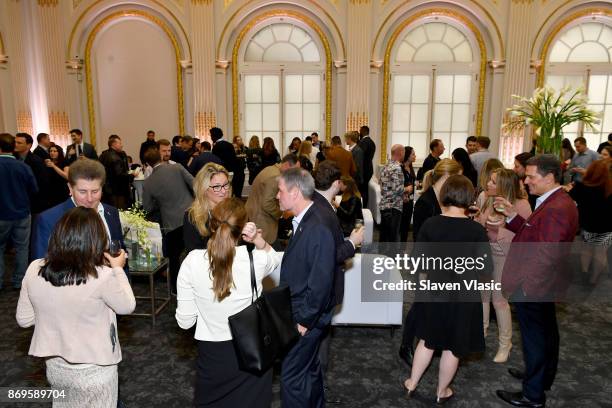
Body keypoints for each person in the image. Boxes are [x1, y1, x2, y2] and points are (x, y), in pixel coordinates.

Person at [17, 207, 135, 408]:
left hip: (56, 367)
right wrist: (117, 269)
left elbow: (25, 319)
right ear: (96, 240)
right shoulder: (102, 276)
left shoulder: (34, 268)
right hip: (97, 370)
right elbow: (127, 305)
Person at [176, 198, 280, 407]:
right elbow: (274, 259)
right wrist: (258, 240)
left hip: (213, 358)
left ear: (211, 224)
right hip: (251, 353)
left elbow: (185, 322)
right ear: (242, 229)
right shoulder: (255, 261)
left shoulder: (192, 262)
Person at [496, 155, 579, 408]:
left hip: (535, 285)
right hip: (543, 283)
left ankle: (532, 395)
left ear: (550, 177)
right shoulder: (555, 201)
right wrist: (513, 216)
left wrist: (526, 287)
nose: (526, 181)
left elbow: (547, 254)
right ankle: (540, 376)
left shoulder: (555, 208)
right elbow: (535, 233)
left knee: (534, 337)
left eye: (531, 176)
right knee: (546, 333)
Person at [401, 175, 493, 404]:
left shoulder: (430, 224)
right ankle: (441, 391)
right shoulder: (476, 230)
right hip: (464, 294)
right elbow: (485, 268)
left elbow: (417, 262)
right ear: (469, 199)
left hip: (434, 289)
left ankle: (412, 382)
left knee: (426, 339)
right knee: (454, 345)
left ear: (444, 196)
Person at [278, 168, 336, 408]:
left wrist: (304, 321)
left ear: (294, 192)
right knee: (309, 371)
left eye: (280, 191)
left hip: (305, 317)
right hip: (305, 314)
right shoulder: (307, 219)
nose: (277, 196)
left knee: (291, 378)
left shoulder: (317, 225)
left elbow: (321, 282)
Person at [398, 158, 463, 366]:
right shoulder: (426, 202)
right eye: (457, 177)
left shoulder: (443, 199)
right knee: (420, 305)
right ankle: (406, 344)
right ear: (446, 177)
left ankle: (423, 343)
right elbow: (420, 237)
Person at [311, 161, 363, 404]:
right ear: (335, 183)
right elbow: (330, 255)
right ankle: (317, 387)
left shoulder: (317, 204)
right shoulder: (324, 213)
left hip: (318, 285)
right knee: (319, 340)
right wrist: (352, 243)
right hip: (323, 287)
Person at [31, 159, 129, 281]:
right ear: (70, 188)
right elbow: (40, 268)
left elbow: (120, 252)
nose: (89, 199)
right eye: (82, 192)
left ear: (102, 188)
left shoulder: (111, 213)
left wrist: (124, 285)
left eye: (95, 191)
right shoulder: (49, 219)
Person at [476, 168, 531, 363]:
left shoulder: (521, 205)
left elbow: (525, 237)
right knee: (482, 295)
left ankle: (505, 344)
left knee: (499, 300)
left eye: (492, 181)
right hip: (486, 254)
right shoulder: (488, 200)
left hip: (506, 257)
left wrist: (493, 229)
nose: (488, 184)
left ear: (503, 185)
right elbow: (482, 226)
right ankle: (480, 335)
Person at [143, 148, 194, 293]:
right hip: (192, 215)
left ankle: (176, 289)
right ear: (160, 157)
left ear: (147, 164)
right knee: (196, 251)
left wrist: (159, 202)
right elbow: (195, 184)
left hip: (171, 223)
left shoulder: (148, 183)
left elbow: (147, 208)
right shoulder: (177, 167)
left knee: (174, 256)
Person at [0, 133, 38, 290]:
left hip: (1, 215)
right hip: (22, 214)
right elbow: (34, 189)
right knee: (22, 248)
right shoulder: (24, 167)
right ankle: (19, 281)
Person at [567, 159, 612, 285]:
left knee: (586, 249)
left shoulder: (582, 187)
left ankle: (585, 273)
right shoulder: (609, 189)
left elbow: (569, 197)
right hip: (607, 226)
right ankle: (594, 279)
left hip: (588, 224)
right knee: (600, 252)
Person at [245, 154, 301, 245]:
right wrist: (282, 214)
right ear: (286, 165)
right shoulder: (275, 176)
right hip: (261, 220)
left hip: (254, 214)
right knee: (262, 251)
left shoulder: (270, 169)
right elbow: (267, 203)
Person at [183, 162, 231, 253]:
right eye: (217, 187)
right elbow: (194, 255)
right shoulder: (193, 217)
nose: (224, 191)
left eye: (226, 185)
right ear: (204, 189)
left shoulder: (234, 210)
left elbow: (247, 247)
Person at [15, 133, 51, 213]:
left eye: (19, 143)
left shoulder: (36, 161)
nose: (15, 145)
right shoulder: (13, 159)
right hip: (17, 202)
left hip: (33, 202)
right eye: (15, 142)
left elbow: (42, 183)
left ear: (29, 145)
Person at [379, 144, 408, 242]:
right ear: (400, 153)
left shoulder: (386, 166)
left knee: (384, 237)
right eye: (404, 152)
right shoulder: (397, 168)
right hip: (393, 207)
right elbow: (397, 189)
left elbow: (384, 186)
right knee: (393, 238)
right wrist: (407, 189)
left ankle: (381, 257)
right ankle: (391, 257)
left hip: (384, 204)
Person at [99, 135, 132, 209]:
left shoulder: (103, 155)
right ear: (113, 144)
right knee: (118, 211)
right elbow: (119, 175)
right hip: (117, 190)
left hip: (106, 189)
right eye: (120, 143)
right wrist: (132, 175)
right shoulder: (115, 158)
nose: (122, 145)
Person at [211, 127, 244, 198]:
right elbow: (233, 158)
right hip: (233, 171)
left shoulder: (216, 147)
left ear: (213, 136)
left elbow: (216, 161)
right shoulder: (229, 144)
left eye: (211, 136)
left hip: (223, 172)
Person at [400, 146, 416, 242]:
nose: (415, 156)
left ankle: (403, 248)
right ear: (407, 155)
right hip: (402, 201)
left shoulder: (410, 167)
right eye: (413, 154)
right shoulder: (400, 169)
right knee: (401, 226)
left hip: (409, 201)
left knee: (406, 226)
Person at [358, 125, 376, 207]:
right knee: (366, 190)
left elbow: (361, 157)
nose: (359, 133)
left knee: (362, 191)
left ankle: (363, 208)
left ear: (363, 131)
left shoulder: (363, 142)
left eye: (360, 131)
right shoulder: (372, 142)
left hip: (363, 171)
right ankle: (365, 206)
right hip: (369, 169)